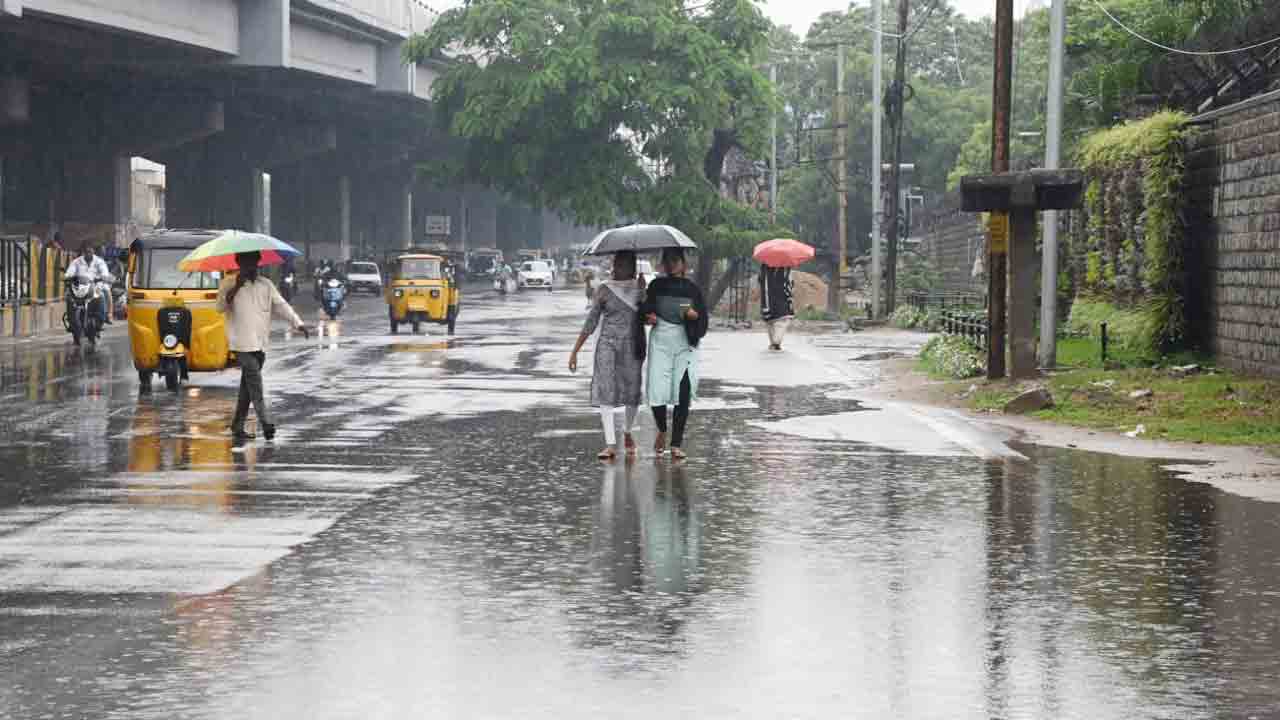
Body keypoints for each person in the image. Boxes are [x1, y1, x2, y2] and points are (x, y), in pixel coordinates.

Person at [217, 251, 310, 443]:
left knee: (247, 388)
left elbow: (281, 305)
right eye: (246, 262)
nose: (250, 266)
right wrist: (235, 288)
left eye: (253, 262)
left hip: (260, 344)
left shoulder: (266, 284)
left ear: (258, 263)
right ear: (238, 263)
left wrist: (298, 323)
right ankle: (265, 422)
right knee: (255, 382)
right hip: (241, 344)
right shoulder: (228, 283)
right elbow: (219, 308)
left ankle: (237, 425)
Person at [569, 251, 646, 461]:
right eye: (616, 263)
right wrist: (575, 351)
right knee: (606, 389)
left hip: (632, 346)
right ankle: (610, 443)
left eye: (624, 264)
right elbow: (591, 322)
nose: (618, 268)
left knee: (633, 392)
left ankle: (628, 432)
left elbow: (648, 318)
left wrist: (642, 292)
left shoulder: (639, 289)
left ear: (632, 267)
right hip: (607, 345)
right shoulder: (604, 289)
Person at [641, 247, 708, 459]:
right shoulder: (656, 285)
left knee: (683, 392)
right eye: (667, 260)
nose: (671, 264)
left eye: (675, 260)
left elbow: (703, 319)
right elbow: (645, 311)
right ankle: (661, 428)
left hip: (684, 342)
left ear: (683, 264)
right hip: (660, 339)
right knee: (656, 389)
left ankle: (677, 443)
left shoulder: (693, 289)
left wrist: (694, 315)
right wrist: (647, 315)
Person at [64, 244, 113, 333]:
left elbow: (104, 273)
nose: (88, 254)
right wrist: (72, 277)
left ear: (93, 252)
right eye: (86, 252)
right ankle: (71, 322)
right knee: (68, 297)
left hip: (95, 286)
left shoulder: (99, 262)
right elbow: (68, 274)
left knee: (103, 293)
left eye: (90, 252)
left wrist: (104, 277)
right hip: (79, 288)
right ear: (83, 252)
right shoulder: (76, 262)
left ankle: (104, 318)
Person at [759, 263, 794, 351]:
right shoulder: (786, 267)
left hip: (767, 301)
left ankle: (774, 343)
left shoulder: (764, 266)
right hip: (781, 301)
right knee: (782, 321)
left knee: (770, 322)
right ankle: (776, 342)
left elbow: (760, 280)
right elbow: (789, 284)